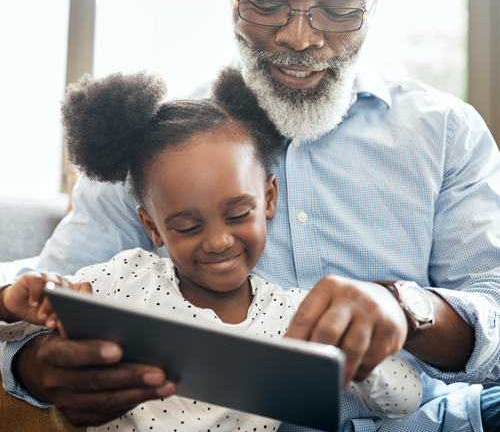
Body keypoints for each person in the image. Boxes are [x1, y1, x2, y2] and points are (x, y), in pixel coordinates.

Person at [2, 0, 500, 430]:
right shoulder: (157, 144)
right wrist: (35, 365)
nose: (298, 36)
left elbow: (494, 310)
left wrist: (407, 310)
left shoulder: (447, 133)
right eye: (267, 2)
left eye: (336, 9)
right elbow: (43, 301)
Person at [0, 69, 422, 430]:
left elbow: (404, 400)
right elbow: (20, 333)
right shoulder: (124, 281)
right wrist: (10, 300)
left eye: (238, 214)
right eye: (188, 225)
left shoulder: (295, 317)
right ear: (152, 226)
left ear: (269, 199)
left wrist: (360, 358)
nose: (219, 240)